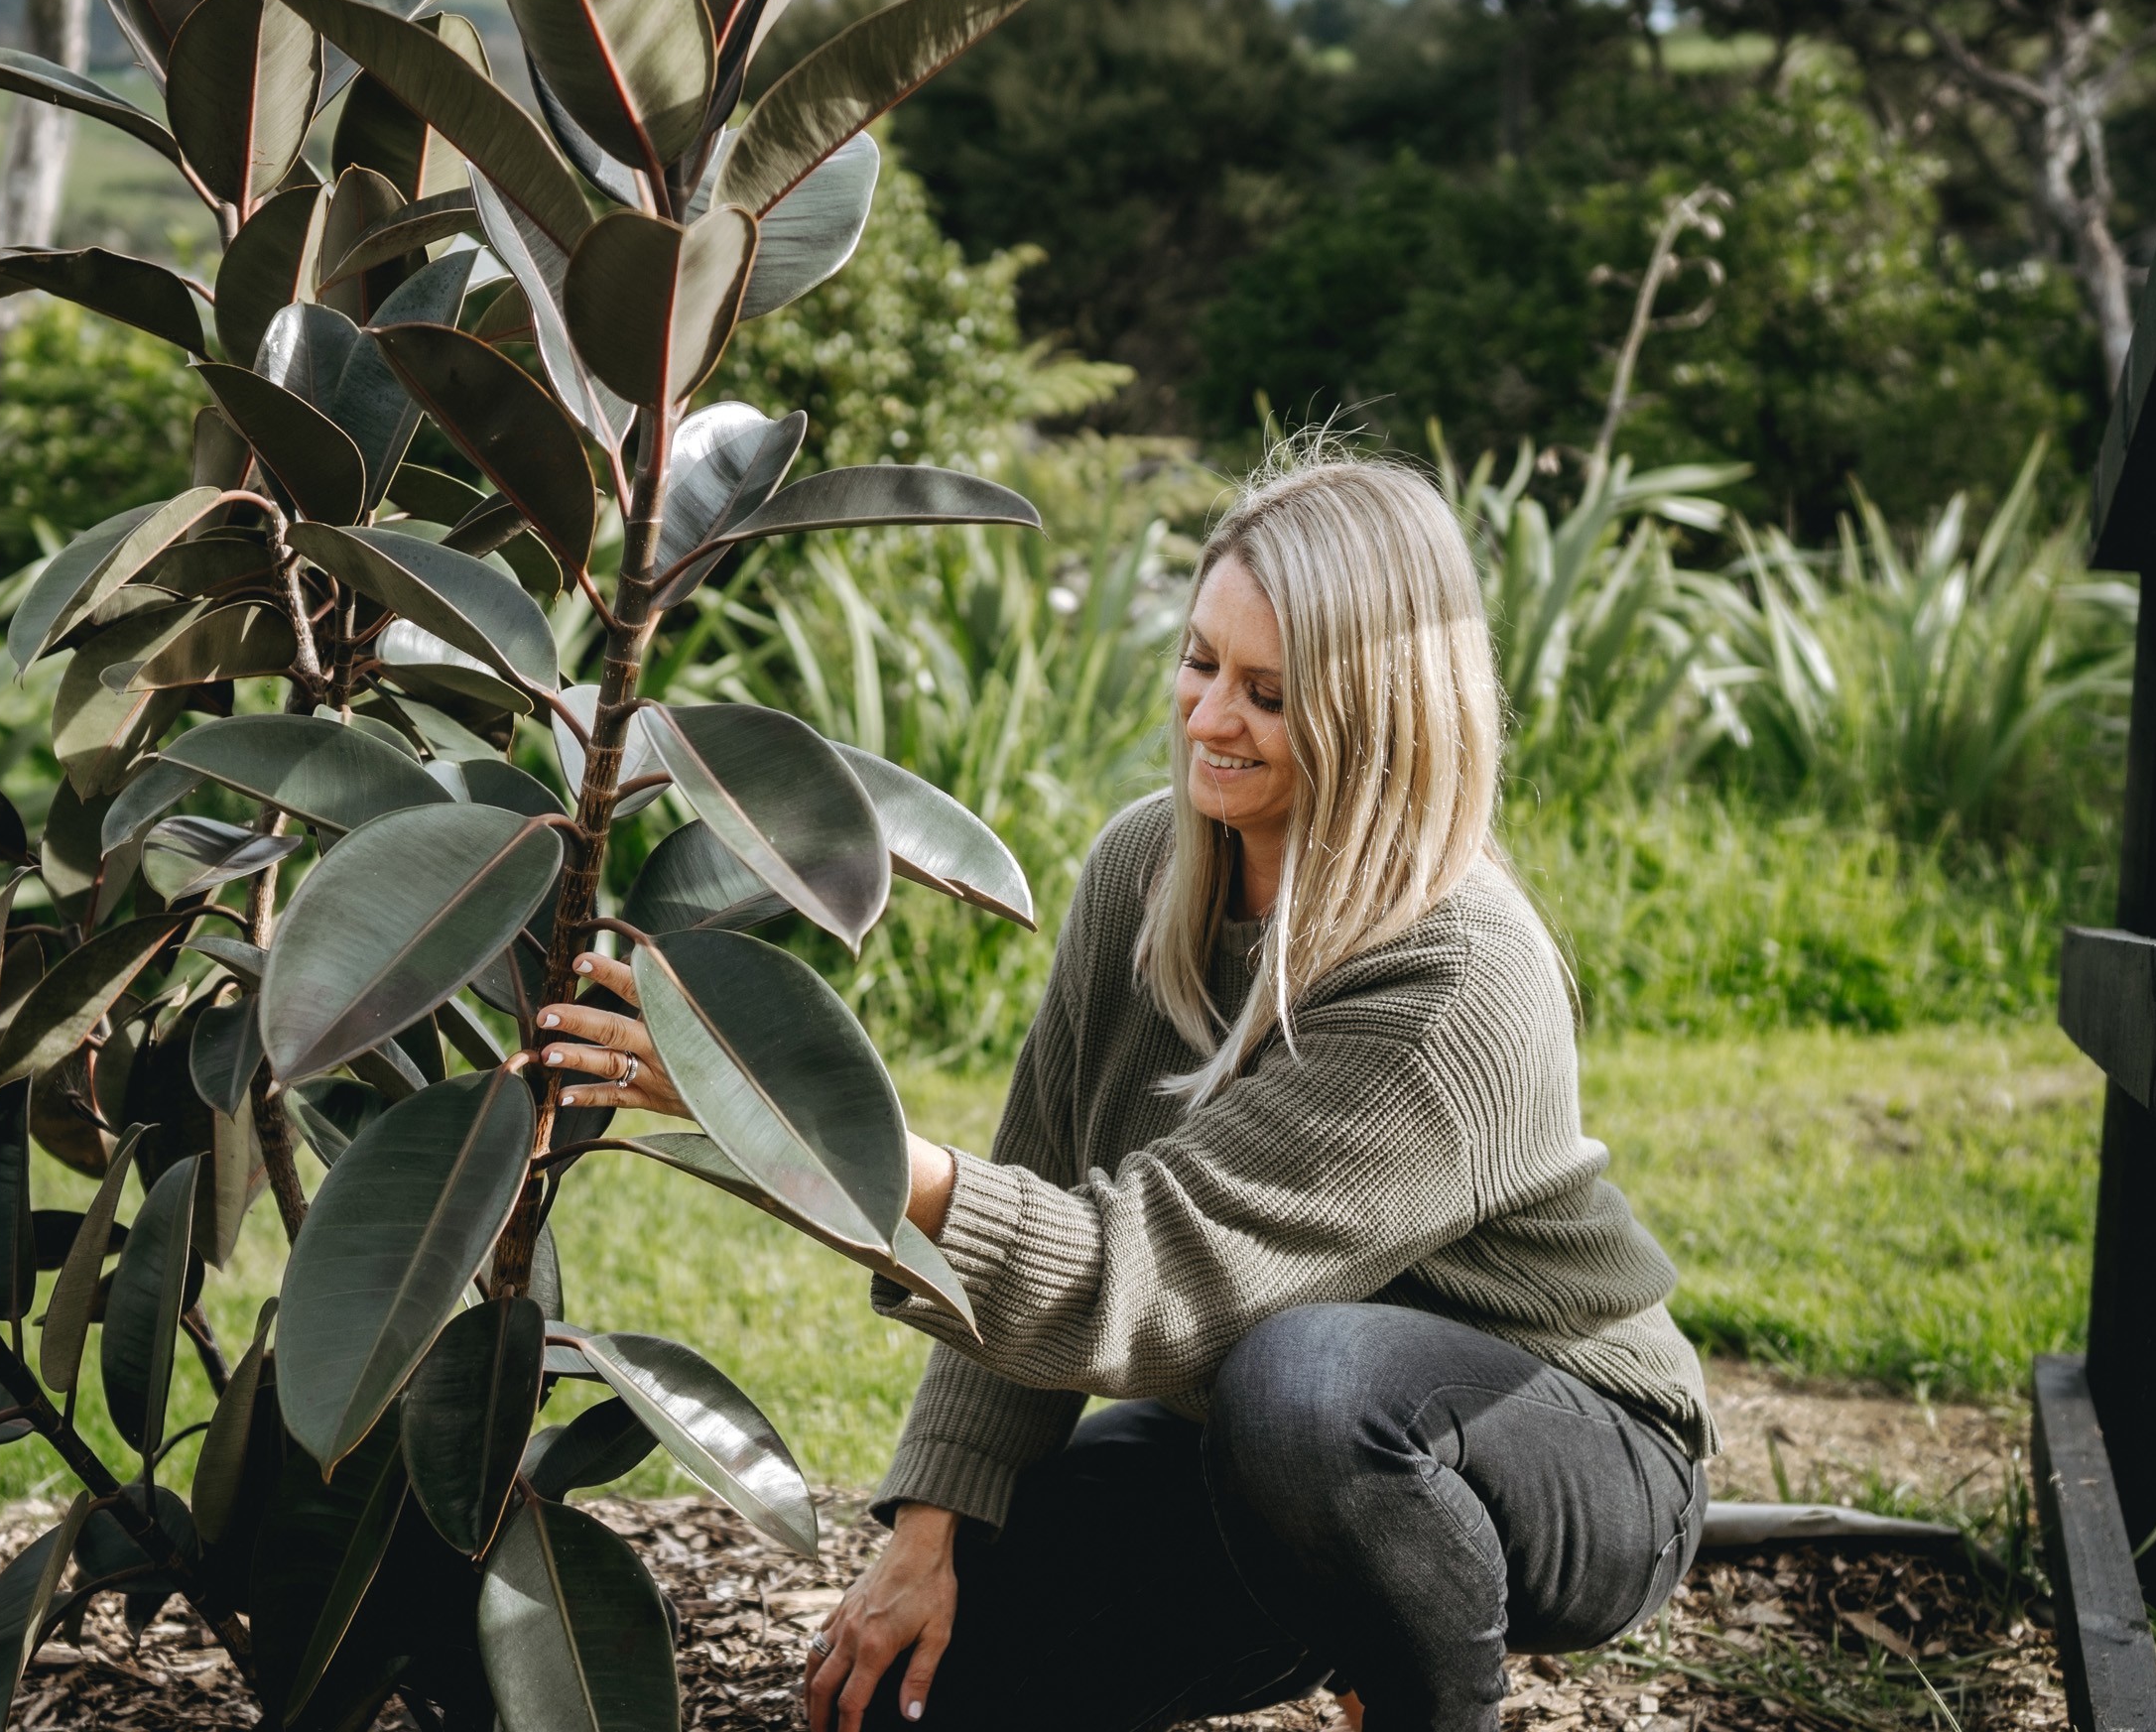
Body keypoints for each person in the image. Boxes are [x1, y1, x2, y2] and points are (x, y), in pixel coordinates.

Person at [530, 448, 1712, 1732]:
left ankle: (1414, 1691)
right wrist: (935, 1526)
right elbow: (1044, 1185)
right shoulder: (1149, 867)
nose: (1207, 719)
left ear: (1382, 712)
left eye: (1270, 692)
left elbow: (1132, 1279)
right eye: (1201, 663)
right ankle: (1333, 1602)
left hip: (1560, 1434)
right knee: (915, 1699)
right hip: (1271, 1457)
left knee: (1304, 1388)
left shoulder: (1454, 981)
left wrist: (782, 1114)